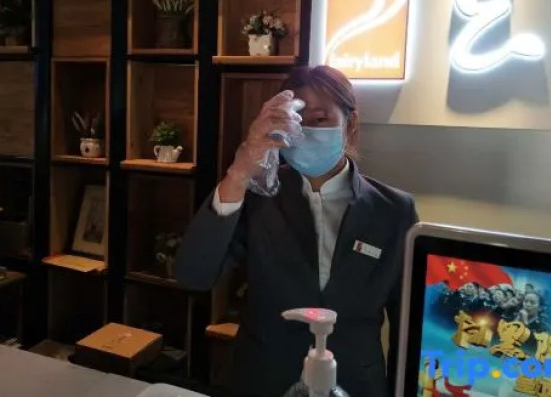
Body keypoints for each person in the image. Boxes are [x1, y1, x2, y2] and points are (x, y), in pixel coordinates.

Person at [175, 66, 418, 397]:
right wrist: (241, 170)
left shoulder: (394, 211)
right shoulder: (259, 196)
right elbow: (193, 275)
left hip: (356, 385)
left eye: (320, 119)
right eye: (297, 121)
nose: (307, 131)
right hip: (264, 381)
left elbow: (408, 325)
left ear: (350, 124)